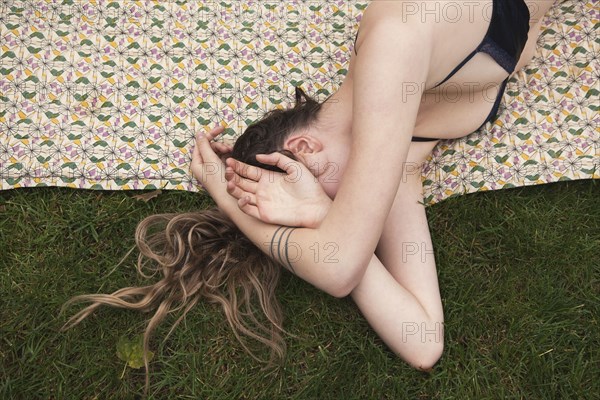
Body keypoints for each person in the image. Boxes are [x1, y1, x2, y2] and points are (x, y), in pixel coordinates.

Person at [64, 0, 556, 385]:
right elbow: (422, 340)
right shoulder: (399, 153)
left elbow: (339, 265)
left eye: (314, 189)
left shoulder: (391, 47)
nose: (350, 212)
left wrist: (226, 193)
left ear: (302, 147)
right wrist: (316, 213)